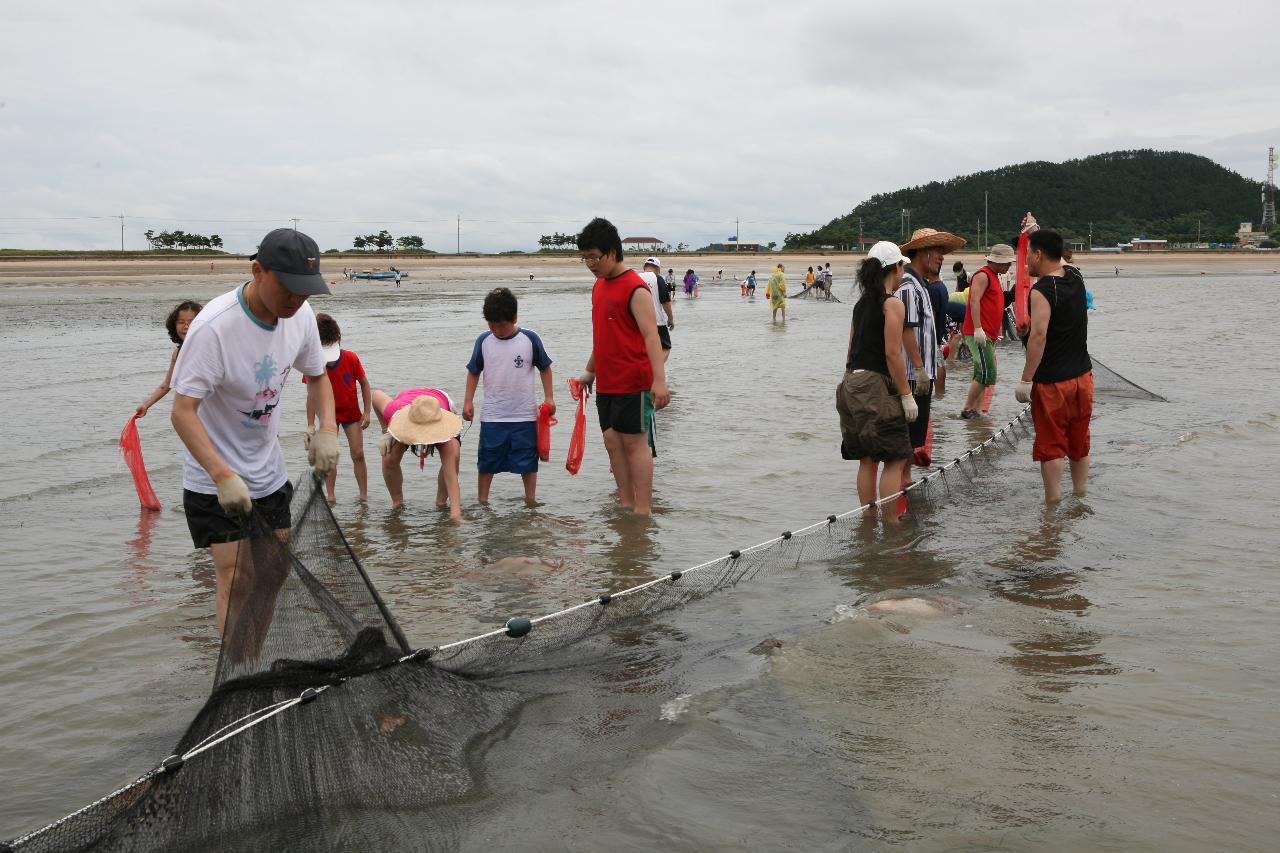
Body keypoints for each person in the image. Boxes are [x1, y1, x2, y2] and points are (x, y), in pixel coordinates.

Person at [170, 228, 340, 647]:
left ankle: (252, 655)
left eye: (305, 291)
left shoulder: (299, 315)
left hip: (268, 470)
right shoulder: (213, 328)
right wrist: (221, 474)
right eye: (288, 288)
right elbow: (182, 411)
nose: (297, 300)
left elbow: (317, 377)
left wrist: (328, 430)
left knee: (275, 571)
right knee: (236, 575)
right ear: (257, 270)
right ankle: (235, 673)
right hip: (215, 477)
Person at [576, 217, 671, 515]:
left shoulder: (636, 288)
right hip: (607, 382)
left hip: (634, 381)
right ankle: (625, 502)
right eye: (585, 257)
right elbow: (604, 335)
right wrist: (589, 371)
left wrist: (659, 381)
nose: (590, 263)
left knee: (635, 445)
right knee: (612, 441)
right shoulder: (598, 287)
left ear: (613, 253)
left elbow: (651, 336)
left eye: (595, 256)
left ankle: (642, 511)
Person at [836, 241, 917, 524]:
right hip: (873, 386)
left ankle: (868, 524)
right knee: (895, 457)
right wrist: (906, 395)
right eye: (902, 266)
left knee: (868, 458)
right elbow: (892, 353)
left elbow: (850, 350)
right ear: (895, 267)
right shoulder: (893, 304)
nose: (903, 271)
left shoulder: (860, 305)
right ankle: (892, 525)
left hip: (849, 385)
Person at [1015, 226, 1093, 503]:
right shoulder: (1075, 276)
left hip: (1052, 383)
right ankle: (1080, 497)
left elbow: (1038, 336)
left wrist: (1026, 380)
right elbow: (1058, 258)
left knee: (1051, 446)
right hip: (1083, 377)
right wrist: (1036, 229)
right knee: (1079, 441)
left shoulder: (1042, 290)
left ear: (1038, 255)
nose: (1025, 262)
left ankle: (1052, 508)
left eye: (1028, 255)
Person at [462, 287, 555, 505]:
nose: (496, 330)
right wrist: (468, 401)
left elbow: (545, 367)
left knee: (528, 462)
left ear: (514, 318)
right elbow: (474, 371)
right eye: (491, 325)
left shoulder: (529, 339)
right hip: (493, 416)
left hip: (524, 416)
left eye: (501, 325)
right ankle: (482, 501)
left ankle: (530, 501)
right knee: (486, 462)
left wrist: (549, 397)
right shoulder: (483, 341)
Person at [898, 228, 961, 468]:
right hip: (912, 377)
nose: (942, 256)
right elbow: (906, 330)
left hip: (921, 375)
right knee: (906, 442)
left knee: (913, 442)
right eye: (937, 250)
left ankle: (906, 489)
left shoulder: (923, 284)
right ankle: (902, 489)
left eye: (943, 251)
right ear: (922, 252)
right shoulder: (908, 285)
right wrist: (919, 368)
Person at [304, 313, 370, 504]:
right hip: (328, 416)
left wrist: (366, 412)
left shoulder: (350, 357)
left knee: (358, 453)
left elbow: (364, 384)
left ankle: (363, 496)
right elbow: (311, 395)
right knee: (329, 454)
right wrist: (310, 425)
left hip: (351, 414)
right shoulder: (314, 362)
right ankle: (331, 497)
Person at [373, 387, 463, 518]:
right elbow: (375, 395)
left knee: (454, 456)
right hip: (411, 409)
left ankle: (441, 503)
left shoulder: (441, 429)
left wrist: (456, 515)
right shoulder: (394, 410)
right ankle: (397, 503)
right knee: (388, 458)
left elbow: (451, 476)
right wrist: (386, 430)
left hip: (436, 407)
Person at [959, 243, 1014, 418]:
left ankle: (976, 410)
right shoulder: (983, 275)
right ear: (996, 261)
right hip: (978, 332)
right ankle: (967, 409)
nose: (1008, 266)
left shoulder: (994, 275)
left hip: (989, 333)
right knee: (987, 372)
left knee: (980, 372)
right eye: (1006, 262)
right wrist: (977, 328)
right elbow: (974, 300)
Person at [135, 300, 203, 419]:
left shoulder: (208, 348)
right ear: (174, 324)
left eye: (192, 322)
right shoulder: (178, 352)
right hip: (191, 412)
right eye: (181, 322)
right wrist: (146, 405)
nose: (186, 327)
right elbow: (166, 385)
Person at [638, 256, 675, 362]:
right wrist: (670, 319)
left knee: (643, 349)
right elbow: (666, 302)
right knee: (666, 347)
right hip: (657, 321)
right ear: (658, 269)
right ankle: (655, 370)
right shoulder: (658, 278)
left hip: (637, 323)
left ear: (644, 267)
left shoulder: (635, 277)